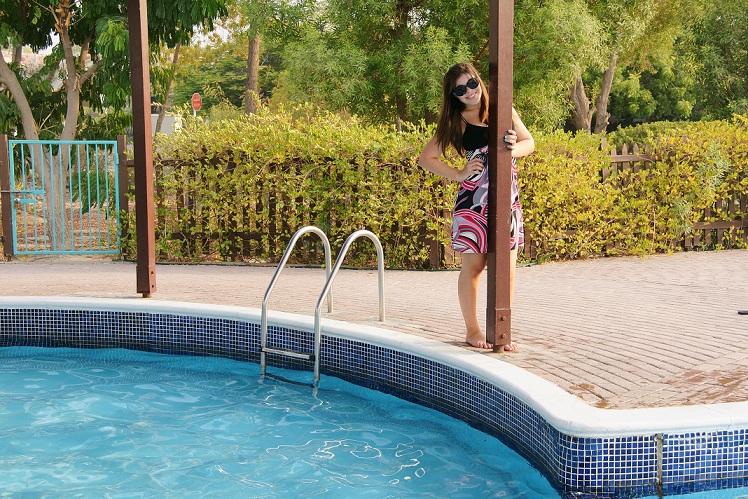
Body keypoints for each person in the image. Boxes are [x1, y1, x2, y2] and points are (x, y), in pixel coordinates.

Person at [418, 62, 535, 351]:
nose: (469, 92)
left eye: (471, 83)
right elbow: (426, 158)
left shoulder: (503, 109)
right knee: (475, 267)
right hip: (473, 202)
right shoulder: (456, 121)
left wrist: (513, 148)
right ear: (453, 96)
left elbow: (528, 143)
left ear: (479, 81)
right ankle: (473, 330)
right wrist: (459, 174)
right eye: (460, 89)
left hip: (506, 199)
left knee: (507, 267)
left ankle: (502, 332)